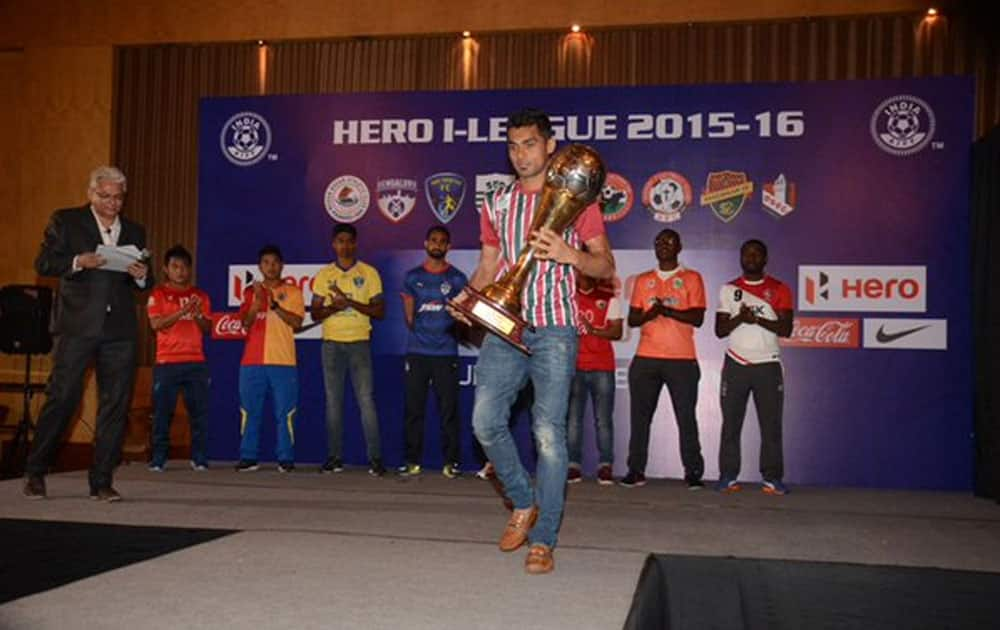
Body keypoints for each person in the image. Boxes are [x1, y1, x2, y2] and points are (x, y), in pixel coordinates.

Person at [452, 107, 615, 575]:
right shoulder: (497, 202)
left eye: (529, 144)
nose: (520, 154)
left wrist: (572, 254)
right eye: (512, 145)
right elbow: (489, 266)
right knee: (485, 422)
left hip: (556, 329)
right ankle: (524, 501)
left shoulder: (580, 200)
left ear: (549, 146)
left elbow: (605, 267)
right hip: (505, 326)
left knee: (548, 434)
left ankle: (543, 541)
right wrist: (466, 298)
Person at [22, 166, 150, 502]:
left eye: (119, 197)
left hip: (120, 329)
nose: (112, 203)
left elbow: (145, 283)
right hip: (77, 326)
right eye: (105, 196)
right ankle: (36, 470)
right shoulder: (65, 221)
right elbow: (44, 263)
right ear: (91, 194)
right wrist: (79, 261)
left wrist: (140, 275)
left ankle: (102, 481)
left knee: (115, 404)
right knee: (63, 398)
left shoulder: (135, 230)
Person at [621, 229, 706, 490]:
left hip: (681, 359)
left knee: (686, 417)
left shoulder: (691, 278)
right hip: (646, 357)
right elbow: (633, 319)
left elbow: (697, 318)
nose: (664, 246)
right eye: (659, 242)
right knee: (640, 418)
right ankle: (635, 471)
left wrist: (667, 310)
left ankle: (693, 473)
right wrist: (650, 313)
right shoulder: (644, 279)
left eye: (669, 242)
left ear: (679, 247)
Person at [715, 239, 793, 495]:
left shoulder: (779, 289)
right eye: (746, 253)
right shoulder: (728, 289)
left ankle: (772, 478)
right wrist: (740, 317)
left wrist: (757, 318)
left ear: (765, 258)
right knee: (731, 423)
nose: (751, 257)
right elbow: (719, 330)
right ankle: (728, 476)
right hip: (736, 363)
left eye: (756, 254)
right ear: (740, 258)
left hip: (768, 364)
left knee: (771, 425)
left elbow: (786, 329)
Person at [311, 224, 386, 476]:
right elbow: (315, 312)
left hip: (359, 343)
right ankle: (334, 458)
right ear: (333, 244)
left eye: (349, 241)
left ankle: (375, 460)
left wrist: (351, 302)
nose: (344, 245)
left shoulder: (369, 273)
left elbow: (380, 311)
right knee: (333, 402)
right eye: (340, 241)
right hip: (331, 343)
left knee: (366, 401)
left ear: (355, 244)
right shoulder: (324, 275)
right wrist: (335, 306)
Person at [398, 225, 468, 478]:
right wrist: (423, 330)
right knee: (413, 409)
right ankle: (412, 460)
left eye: (442, 241)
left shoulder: (458, 279)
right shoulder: (412, 276)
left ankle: (451, 463)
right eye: (433, 241)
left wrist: (448, 332)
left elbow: (463, 317)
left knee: (448, 410)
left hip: (446, 353)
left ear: (449, 247)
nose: (437, 245)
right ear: (426, 244)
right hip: (418, 352)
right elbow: (409, 317)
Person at [235, 245, 304, 472]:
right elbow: (245, 323)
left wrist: (275, 305)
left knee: (284, 413)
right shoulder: (249, 292)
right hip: (252, 362)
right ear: (259, 266)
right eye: (266, 262)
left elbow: (297, 323)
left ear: (282, 265)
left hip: (283, 361)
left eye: (275, 262)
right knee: (250, 411)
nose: (270, 267)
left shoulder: (293, 292)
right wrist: (257, 301)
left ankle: (285, 458)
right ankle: (249, 456)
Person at [145, 245, 212, 472]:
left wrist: (198, 315)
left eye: (184, 267)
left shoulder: (200, 296)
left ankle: (199, 458)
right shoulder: (158, 294)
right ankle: (158, 459)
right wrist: (182, 312)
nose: (180, 271)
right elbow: (156, 324)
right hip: (167, 363)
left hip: (196, 362)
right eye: (175, 266)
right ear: (166, 269)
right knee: (163, 414)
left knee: (199, 414)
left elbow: (207, 328)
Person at [566, 272, 623, 485]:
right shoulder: (567, 299)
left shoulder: (609, 298)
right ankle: (573, 464)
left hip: (602, 366)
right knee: (573, 419)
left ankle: (606, 465)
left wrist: (593, 331)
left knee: (603, 420)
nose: (584, 274)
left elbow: (617, 332)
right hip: (574, 365)